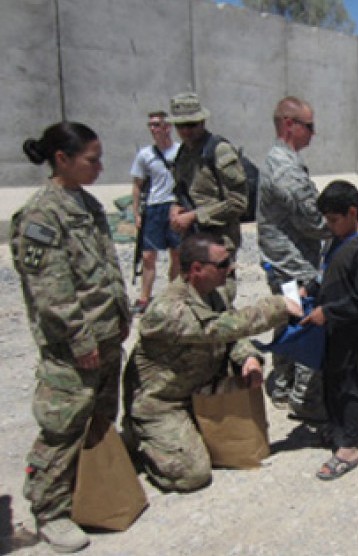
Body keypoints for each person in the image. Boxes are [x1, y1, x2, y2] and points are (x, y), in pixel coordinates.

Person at [11, 122, 132, 553]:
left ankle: (90, 491)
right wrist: (79, 340)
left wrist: (120, 314)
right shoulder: (43, 214)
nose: (99, 167)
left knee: (100, 417)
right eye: (91, 159)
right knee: (63, 428)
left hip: (104, 336)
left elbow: (105, 268)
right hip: (73, 347)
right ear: (62, 159)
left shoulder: (87, 204)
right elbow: (52, 293)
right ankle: (49, 511)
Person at [121, 233, 302, 492]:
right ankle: (139, 437)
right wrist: (278, 306)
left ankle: (188, 432)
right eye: (222, 265)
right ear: (196, 269)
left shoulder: (212, 294)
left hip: (201, 391)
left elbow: (231, 334)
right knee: (192, 475)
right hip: (164, 402)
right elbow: (218, 328)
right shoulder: (167, 310)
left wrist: (248, 358)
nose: (229, 270)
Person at [299, 181, 358, 480]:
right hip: (334, 335)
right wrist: (308, 289)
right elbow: (325, 275)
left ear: (352, 212)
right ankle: (337, 431)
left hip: (356, 340)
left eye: (334, 219)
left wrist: (329, 312)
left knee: (353, 388)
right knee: (333, 383)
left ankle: (349, 447)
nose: (329, 226)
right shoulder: (336, 241)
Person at [258, 96, 331, 421]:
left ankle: (282, 386)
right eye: (310, 126)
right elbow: (314, 222)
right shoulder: (287, 169)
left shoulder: (278, 160)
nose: (314, 134)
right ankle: (306, 400)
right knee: (307, 328)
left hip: (281, 263)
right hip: (295, 267)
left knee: (286, 321)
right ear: (290, 125)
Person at [167, 92, 247, 300]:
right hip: (193, 242)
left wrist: (194, 216)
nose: (186, 131)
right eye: (180, 126)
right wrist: (175, 208)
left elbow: (238, 202)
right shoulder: (183, 153)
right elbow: (181, 190)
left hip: (218, 243)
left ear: (202, 121)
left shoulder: (219, 151)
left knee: (219, 302)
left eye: (191, 125)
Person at [130, 110, 182, 314]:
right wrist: (136, 213)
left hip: (174, 205)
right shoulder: (145, 155)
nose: (153, 129)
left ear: (167, 127)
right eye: (150, 125)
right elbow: (137, 185)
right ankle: (144, 297)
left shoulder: (180, 151)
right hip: (154, 207)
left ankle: (173, 295)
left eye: (157, 125)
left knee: (176, 254)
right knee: (148, 256)